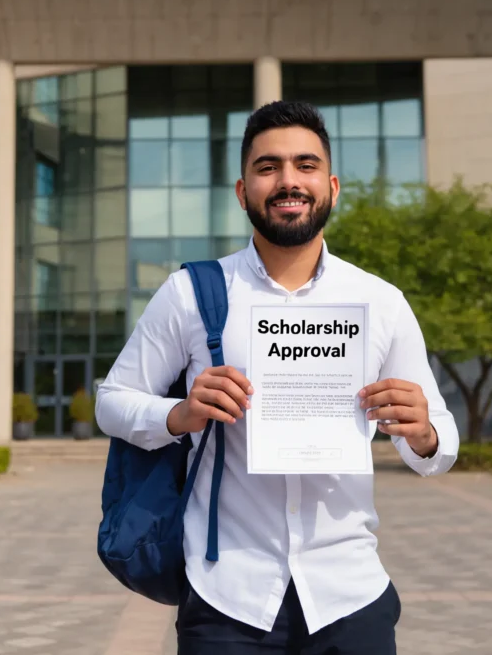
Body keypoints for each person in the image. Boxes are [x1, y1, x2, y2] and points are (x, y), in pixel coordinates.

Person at [95, 100, 459, 655]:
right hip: (227, 597)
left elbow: (439, 445)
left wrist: (424, 432)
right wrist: (178, 414)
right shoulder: (192, 293)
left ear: (332, 186)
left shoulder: (380, 303)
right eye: (268, 168)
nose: (289, 181)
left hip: (349, 592)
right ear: (243, 191)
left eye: (306, 165)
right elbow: (111, 401)